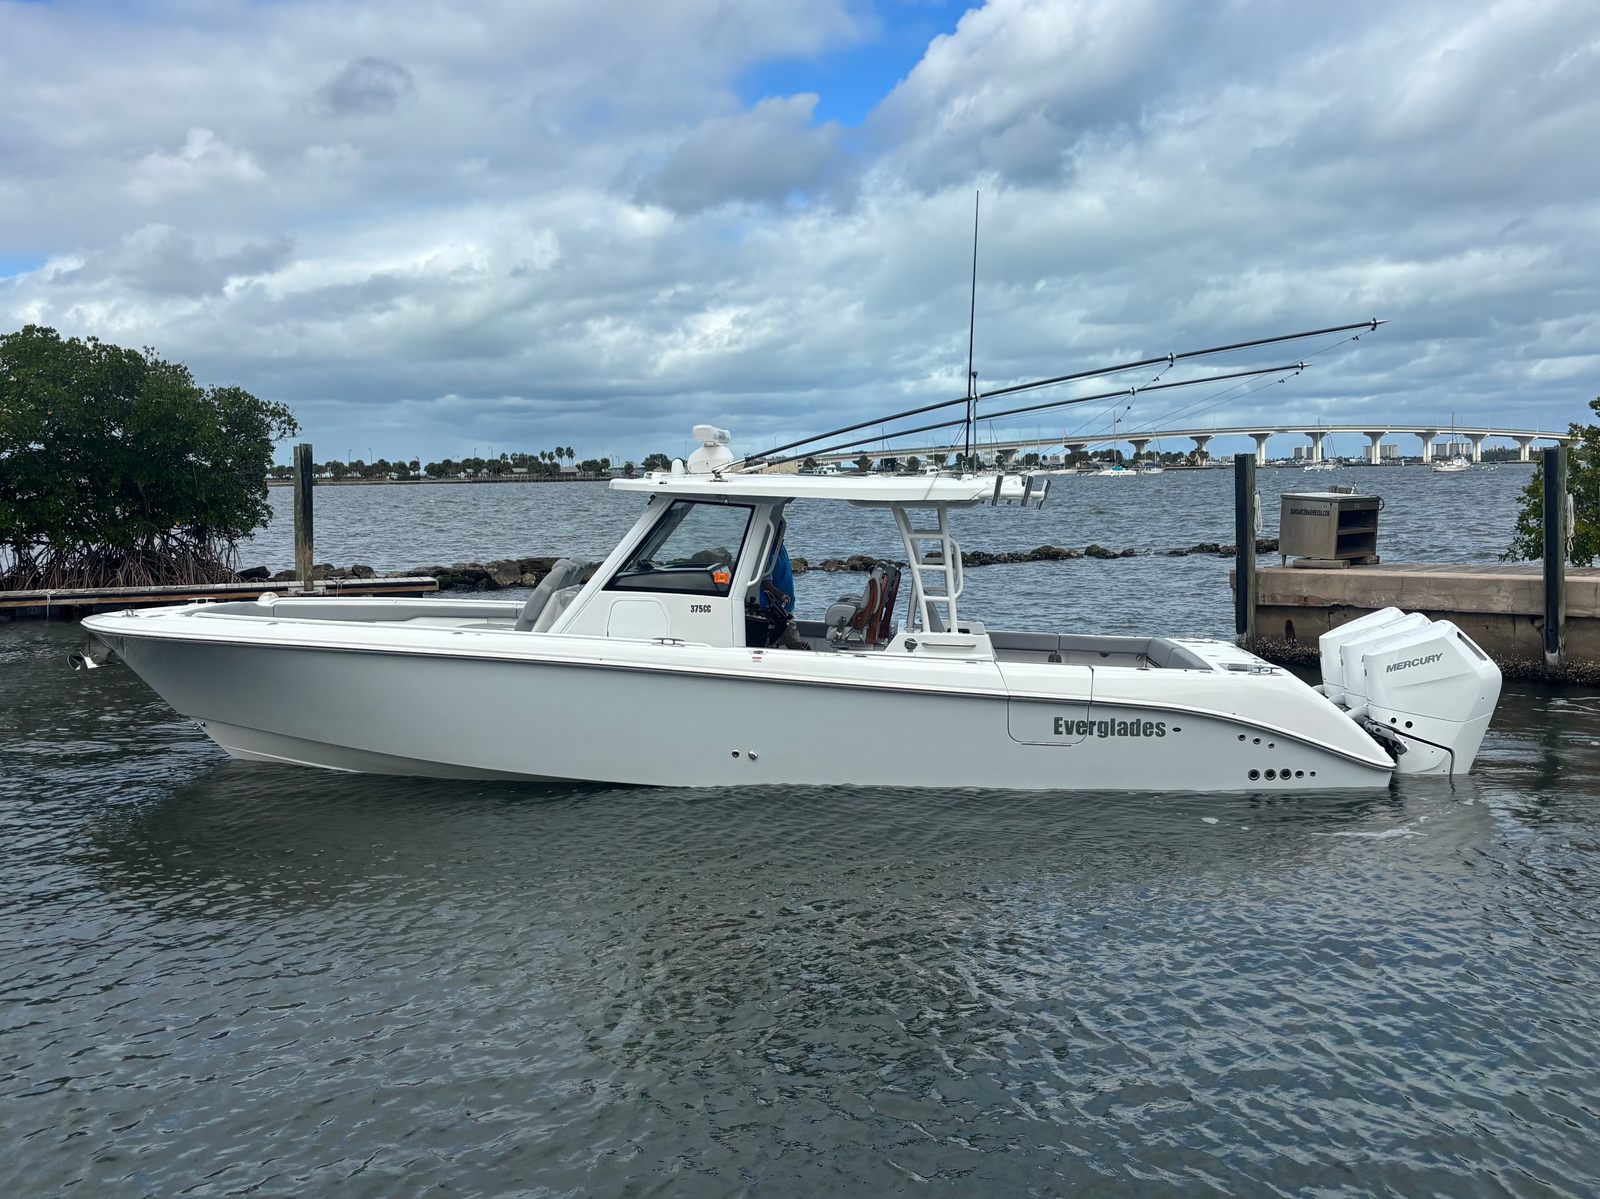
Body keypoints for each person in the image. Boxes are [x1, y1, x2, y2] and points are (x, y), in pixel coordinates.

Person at [758, 540, 808, 649]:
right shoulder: (766, 552)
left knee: (787, 641)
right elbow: (765, 583)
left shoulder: (781, 548)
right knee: (794, 643)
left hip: (786, 607)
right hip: (774, 609)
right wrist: (781, 595)